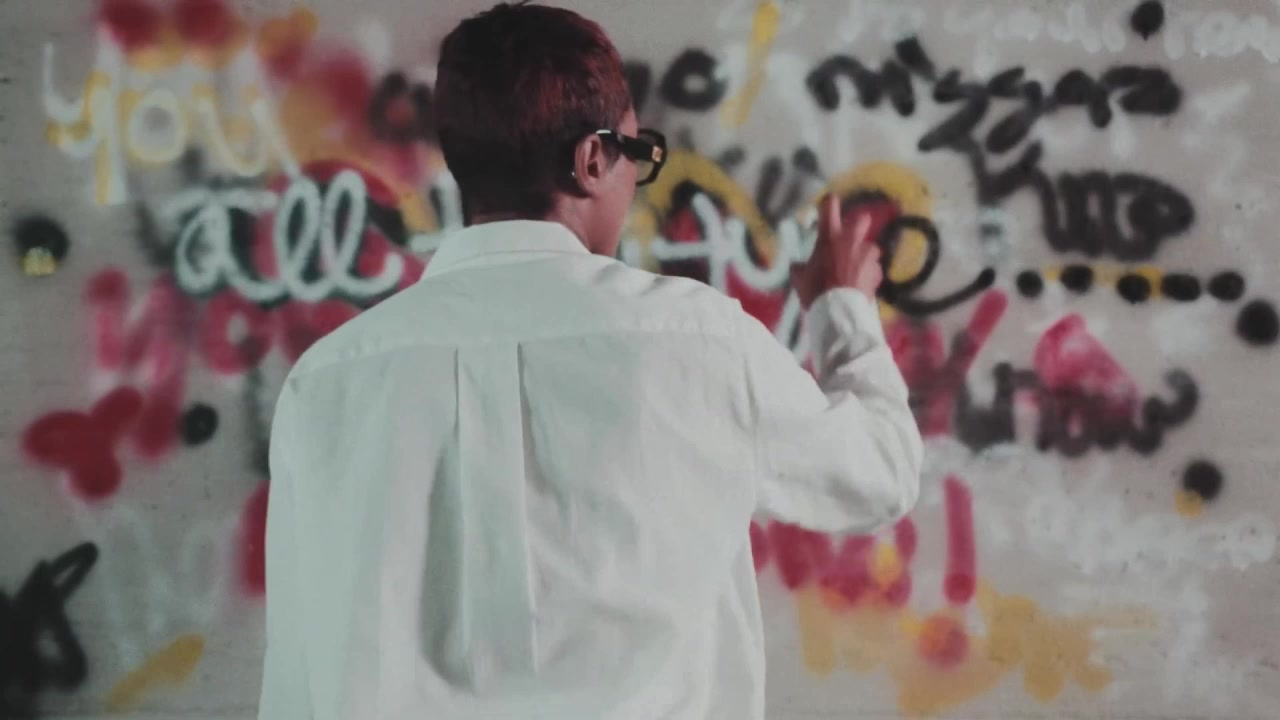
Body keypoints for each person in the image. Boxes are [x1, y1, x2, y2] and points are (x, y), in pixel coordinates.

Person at [257, 3, 922, 718]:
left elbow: (295, 672)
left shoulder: (326, 382)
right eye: (638, 154)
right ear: (593, 159)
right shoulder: (697, 342)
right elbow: (880, 471)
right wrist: (843, 309)